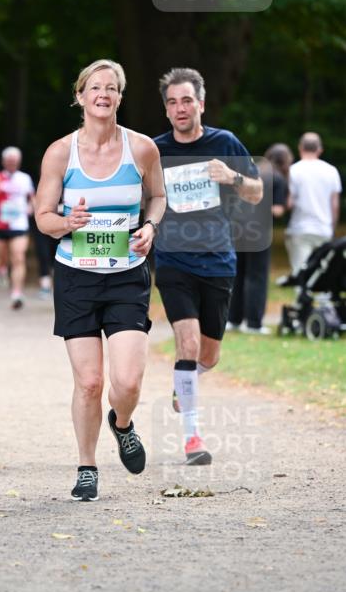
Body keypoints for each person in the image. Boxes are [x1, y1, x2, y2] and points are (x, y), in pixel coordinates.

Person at [35, 59, 166, 502]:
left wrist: (150, 227)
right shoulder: (60, 153)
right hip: (77, 278)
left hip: (127, 276)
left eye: (111, 88)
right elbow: (43, 218)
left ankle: (122, 424)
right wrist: (67, 222)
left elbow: (158, 196)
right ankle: (87, 467)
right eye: (95, 87)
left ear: (119, 98)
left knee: (126, 383)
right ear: (80, 96)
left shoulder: (142, 149)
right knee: (90, 382)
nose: (103, 94)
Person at [154, 67, 262, 466]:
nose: (180, 108)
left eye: (186, 100)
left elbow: (256, 192)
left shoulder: (224, 142)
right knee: (188, 344)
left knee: (209, 356)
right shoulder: (155, 150)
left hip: (217, 259)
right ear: (166, 110)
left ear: (201, 103)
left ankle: (185, 382)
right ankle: (193, 438)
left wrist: (233, 177)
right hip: (172, 259)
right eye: (172, 102)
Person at [227, 142, 292, 334]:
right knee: (257, 276)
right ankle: (254, 324)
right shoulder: (278, 178)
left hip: (237, 228)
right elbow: (277, 210)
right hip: (259, 233)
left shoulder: (252, 172)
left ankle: (233, 320)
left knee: (237, 274)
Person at [285, 132, 342, 275]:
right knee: (320, 275)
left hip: (300, 229)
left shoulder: (293, 171)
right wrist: (331, 228)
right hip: (323, 229)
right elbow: (335, 205)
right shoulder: (332, 171)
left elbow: (289, 203)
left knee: (300, 274)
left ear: (300, 147)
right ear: (320, 149)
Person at [0, 147, 35, 309]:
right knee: (1, 257)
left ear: (18, 162)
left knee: (18, 257)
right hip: (0, 224)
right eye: (9, 161)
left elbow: (32, 197)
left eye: (14, 161)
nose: (11, 163)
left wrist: (32, 207)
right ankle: (1, 270)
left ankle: (17, 293)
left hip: (19, 224)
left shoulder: (25, 178)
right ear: (3, 162)